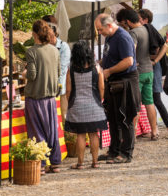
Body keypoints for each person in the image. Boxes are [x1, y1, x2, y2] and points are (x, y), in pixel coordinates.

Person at [95, 13, 140, 164]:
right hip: (113, 82)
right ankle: (114, 151)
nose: (99, 33)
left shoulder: (123, 37)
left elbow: (128, 61)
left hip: (125, 81)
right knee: (113, 118)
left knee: (125, 118)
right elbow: (109, 57)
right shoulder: (109, 36)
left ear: (109, 25)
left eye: (100, 29)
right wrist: (98, 64)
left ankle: (126, 153)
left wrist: (108, 71)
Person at [23, 20, 62, 173]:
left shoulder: (31, 51)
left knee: (36, 131)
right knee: (52, 130)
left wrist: (24, 73)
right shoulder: (54, 50)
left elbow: (32, 75)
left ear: (34, 34)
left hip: (35, 96)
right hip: (51, 97)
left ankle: (41, 163)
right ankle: (56, 162)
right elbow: (58, 72)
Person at [64, 41, 107, 170]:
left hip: (77, 105)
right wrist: (99, 100)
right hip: (94, 104)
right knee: (94, 134)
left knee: (80, 135)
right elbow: (101, 87)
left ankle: (80, 163)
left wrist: (70, 102)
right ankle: (95, 162)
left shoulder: (71, 69)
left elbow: (68, 90)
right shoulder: (97, 68)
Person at [117, 8, 158, 140]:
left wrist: (133, 62)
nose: (123, 26)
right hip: (149, 70)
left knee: (135, 104)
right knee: (149, 102)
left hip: (138, 73)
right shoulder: (147, 29)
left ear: (128, 21)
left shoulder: (133, 33)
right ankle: (155, 131)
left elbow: (131, 50)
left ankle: (132, 134)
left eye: (123, 23)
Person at [139, 9, 168, 140]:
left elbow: (163, 46)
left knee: (155, 99)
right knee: (152, 100)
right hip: (152, 66)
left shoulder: (148, 28)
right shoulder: (148, 29)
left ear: (145, 20)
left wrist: (155, 60)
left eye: (139, 19)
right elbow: (164, 44)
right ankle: (157, 129)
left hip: (153, 66)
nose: (138, 21)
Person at [41, 15, 71, 117]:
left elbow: (62, 70)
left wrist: (57, 87)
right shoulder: (44, 47)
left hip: (60, 91)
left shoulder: (63, 47)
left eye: (49, 34)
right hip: (46, 90)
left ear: (55, 33)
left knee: (63, 116)